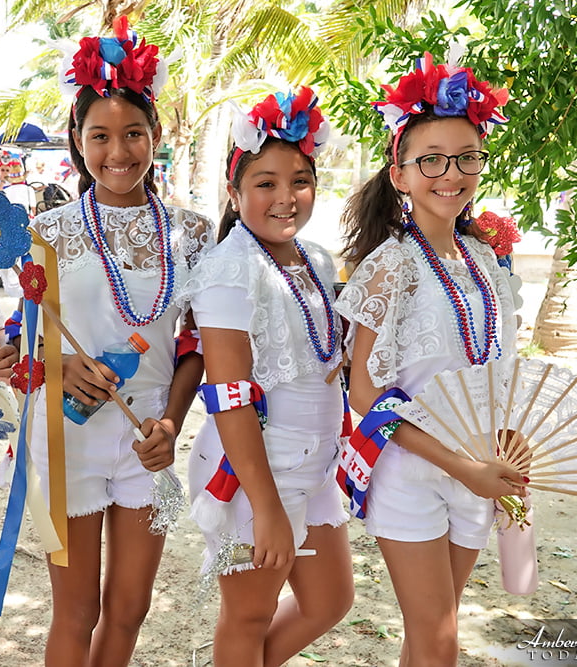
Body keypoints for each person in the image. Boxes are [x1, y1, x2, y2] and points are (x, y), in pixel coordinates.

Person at [0, 18, 214, 667]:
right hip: (66, 445)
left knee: (130, 608)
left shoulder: (192, 234)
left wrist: (173, 418)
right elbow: (13, 346)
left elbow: (195, 340)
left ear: (157, 136)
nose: (119, 151)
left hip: (147, 443)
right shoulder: (47, 231)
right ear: (77, 142)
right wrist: (50, 364)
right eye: (101, 136)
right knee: (78, 611)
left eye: (133, 133)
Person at [334, 53, 526, 666]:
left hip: (478, 469)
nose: (452, 173)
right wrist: (456, 464)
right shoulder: (387, 266)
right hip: (410, 473)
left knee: (428, 638)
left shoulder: (485, 260)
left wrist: (506, 450)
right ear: (401, 174)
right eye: (432, 160)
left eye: (467, 157)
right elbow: (362, 394)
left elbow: (497, 366)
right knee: (440, 639)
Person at [179, 87, 354, 667]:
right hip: (256, 472)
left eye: (300, 180)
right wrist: (268, 508)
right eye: (266, 183)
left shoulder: (316, 258)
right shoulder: (230, 268)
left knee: (329, 601)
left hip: (316, 467)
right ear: (235, 191)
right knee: (249, 615)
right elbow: (229, 397)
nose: (286, 197)